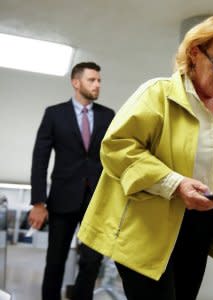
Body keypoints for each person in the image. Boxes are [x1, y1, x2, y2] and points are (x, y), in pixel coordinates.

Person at [77, 16, 213, 300]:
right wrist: (175, 184)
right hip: (147, 228)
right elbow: (117, 147)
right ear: (194, 54)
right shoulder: (158, 93)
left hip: (198, 230)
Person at [28, 62, 115, 300]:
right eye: (91, 80)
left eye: (99, 80)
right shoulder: (54, 114)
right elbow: (40, 160)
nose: (97, 85)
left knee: (92, 260)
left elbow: (115, 158)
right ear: (76, 82)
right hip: (62, 199)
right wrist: (38, 202)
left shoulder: (108, 116)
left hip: (96, 201)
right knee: (55, 261)